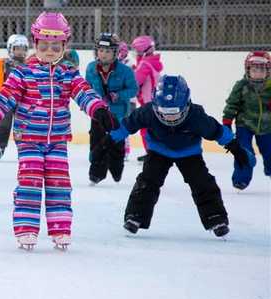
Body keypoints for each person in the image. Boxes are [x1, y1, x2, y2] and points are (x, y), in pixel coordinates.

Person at [0, 12, 116, 251]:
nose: (49, 51)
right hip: (29, 140)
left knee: (59, 185)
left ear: (64, 46)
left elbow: (84, 93)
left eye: (55, 46)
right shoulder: (23, 73)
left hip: (57, 140)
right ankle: (26, 228)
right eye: (44, 46)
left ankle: (60, 229)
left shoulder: (68, 73)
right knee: (30, 183)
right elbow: (4, 98)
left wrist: (99, 111)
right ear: (35, 44)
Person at [106, 75, 249, 239]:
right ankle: (135, 217)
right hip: (158, 150)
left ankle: (215, 218)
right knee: (147, 182)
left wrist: (234, 146)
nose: (169, 118)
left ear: (186, 105)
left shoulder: (196, 116)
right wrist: (109, 139)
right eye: (165, 113)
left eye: (174, 113)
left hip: (189, 152)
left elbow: (216, 130)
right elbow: (128, 125)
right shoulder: (147, 112)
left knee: (203, 183)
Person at [85, 33, 137, 184]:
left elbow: (133, 89)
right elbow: (86, 88)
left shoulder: (125, 71)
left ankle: (116, 169)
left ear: (115, 52)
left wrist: (119, 95)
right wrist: (90, 103)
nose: (103, 54)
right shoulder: (91, 68)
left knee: (116, 144)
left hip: (118, 114)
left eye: (107, 51)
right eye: (100, 50)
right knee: (96, 144)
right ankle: (96, 175)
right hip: (98, 113)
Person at [222, 51, 271, 190]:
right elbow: (231, 105)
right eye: (254, 70)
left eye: (261, 70)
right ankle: (241, 179)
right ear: (248, 70)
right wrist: (227, 123)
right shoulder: (242, 85)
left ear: (268, 71)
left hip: (267, 126)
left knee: (269, 151)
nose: (257, 73)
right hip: (245, 124)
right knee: (244, 151)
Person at [0, 34, 29, 162]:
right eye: (17, 48)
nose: (20, 51)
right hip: (6, 101)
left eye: (23, 49)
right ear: (10, 49)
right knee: (3, 124)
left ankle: (23, 149)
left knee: (22, 127)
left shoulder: (30, 66)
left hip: (23, 101)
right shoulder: (4, 65)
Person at [131, 35, 163, 162]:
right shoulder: (151, 62)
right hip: (155, 100)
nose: (135, 53)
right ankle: (155, 152)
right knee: (153, 128)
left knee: (146, 128)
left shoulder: (145, 64)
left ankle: (151, 153)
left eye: (137, 50)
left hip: (148, 101)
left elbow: (136, 81)